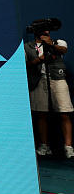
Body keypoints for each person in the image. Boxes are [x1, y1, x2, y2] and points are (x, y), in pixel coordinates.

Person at [25, 25, 73, 158]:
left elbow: (63, 50)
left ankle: (68, 147)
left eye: (47, 29)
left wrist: (50, 44)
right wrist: (38, 60)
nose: (46, 31)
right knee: (41, 114)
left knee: (64, 113)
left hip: (57, 79)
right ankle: (44, 145)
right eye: (42, 29)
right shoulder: (27, 47)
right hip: (39, 80)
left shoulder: (58, 42)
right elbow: (25, 64)